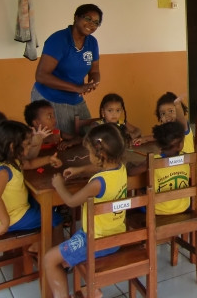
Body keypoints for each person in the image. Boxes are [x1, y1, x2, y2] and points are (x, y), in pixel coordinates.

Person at [43, 123, 127, 298]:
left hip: (95, 241)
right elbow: (102, 167)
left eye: (89, 153)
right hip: (116, 235)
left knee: (49, 259)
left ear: (100, 155)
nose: (88, 156)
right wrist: (80, 169)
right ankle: (93, 288)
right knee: (66, 257)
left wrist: (59, 185)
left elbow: (71, 201)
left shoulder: (97, 183)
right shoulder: (121, 168)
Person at [31, 4, 103, 136]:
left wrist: (94, 82)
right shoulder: (58, 40)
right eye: (87, 18)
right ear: (76, 18)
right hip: (50, 97)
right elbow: (41, 76)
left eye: (96, 22)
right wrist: (77, 88)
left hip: (75, 97)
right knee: (63, 140)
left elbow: (95, 71)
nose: (91, 24)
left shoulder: (92, 42)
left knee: (89, 134)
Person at [0, 120, 63, 238]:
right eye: (27, 144)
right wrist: (5, 222)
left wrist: (48, 159)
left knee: (47, 205)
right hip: (12, 219)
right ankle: (55, 251)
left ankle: (38, 244)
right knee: (56, 218)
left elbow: (29, 164)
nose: (30, 147)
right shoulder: (3, 171)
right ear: (12, 146)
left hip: (19, 210)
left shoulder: (12, 160)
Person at [128, 121, 190, 215]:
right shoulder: (187, 158)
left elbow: (131, 173)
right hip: (183, 207)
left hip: (157, 209)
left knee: (138, 198)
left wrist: (129, 166)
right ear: (180, 145)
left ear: (159, 144)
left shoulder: (153, 161)